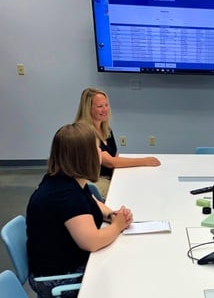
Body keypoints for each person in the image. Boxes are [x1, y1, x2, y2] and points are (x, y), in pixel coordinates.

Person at [26, 122, 133, 298]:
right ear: (84, 156)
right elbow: (91, 242)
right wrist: (117, 225)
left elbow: (92, 201)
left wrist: (111, 214)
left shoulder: (68, 180)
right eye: (98, 149)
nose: (101, 153)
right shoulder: (65, 195)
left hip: (64, 264)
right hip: (58, 278)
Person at [74, 87, 161, 198]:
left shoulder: (106, 129)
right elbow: (110, 162)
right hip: (94, 181)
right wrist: (144, 161)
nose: (105, 109)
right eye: (100, 106)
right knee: (127, 192)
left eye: (106, 105)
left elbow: (115, 155)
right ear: (88, 109)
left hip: (110, 175)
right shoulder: (85, 133)